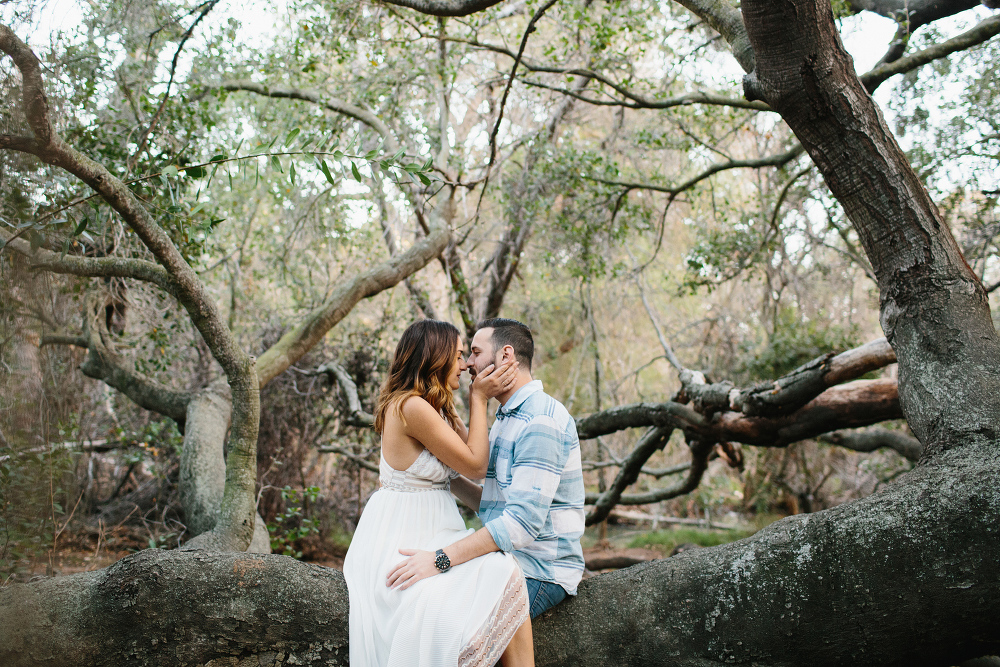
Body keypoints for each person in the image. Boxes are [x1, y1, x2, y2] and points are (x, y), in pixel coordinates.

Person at [344, 319, 534, 667]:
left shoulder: (431, 408)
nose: (465, 365)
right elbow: (476, 465)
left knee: (501, 569)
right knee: (498, 571)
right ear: (436, 358)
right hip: (403, 532)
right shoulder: (412, 407)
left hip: (432, 528)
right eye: (459, 356)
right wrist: (479, 398)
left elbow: (470, 457)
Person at [388, 317, 585, 622]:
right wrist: (438, 473)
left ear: (506, 356)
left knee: (445, 625)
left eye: (476, 353)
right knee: (416, 602)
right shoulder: (509, 417)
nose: (467, 364)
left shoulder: (540, 421)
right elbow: (494, 503)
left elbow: (519, 525)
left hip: (539, 571)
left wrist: (441, 559)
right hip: (507, 561)